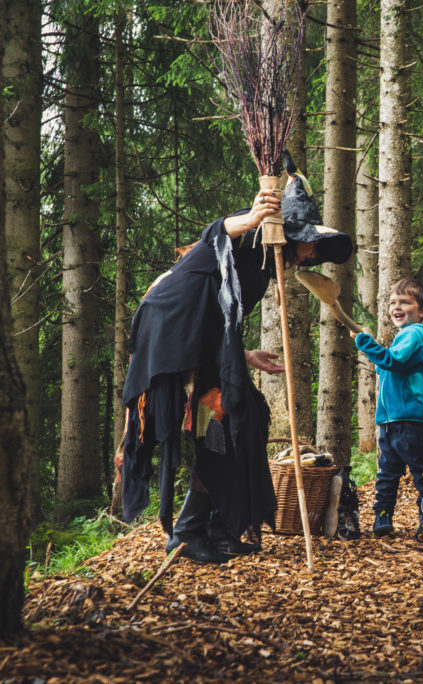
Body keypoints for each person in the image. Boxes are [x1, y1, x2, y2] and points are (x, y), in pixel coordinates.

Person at [120, 170, 354, 564]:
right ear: (293, 233)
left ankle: (220, 528)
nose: (313, 254)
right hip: (169, 338)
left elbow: (219, 319)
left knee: (250, 415)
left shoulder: (264, 265)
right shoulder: (247, 237)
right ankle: (187, 532)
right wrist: (252, 218)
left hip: (201, 345)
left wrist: (244, 356)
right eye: (312, 243)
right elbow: (220, 232)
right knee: (227, 420)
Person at [351, 278, 423, 537]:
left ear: (422, 311)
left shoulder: (417, 334)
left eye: (405, 302)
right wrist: (372, 348)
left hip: (413, 419)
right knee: (387, 473)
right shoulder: (404, 337)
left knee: (422, 473)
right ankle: (383, 517)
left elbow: (393, 362)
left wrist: (365, 343)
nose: (396, 307)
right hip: (391, 421)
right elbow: (388, 364)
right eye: (392, 302)